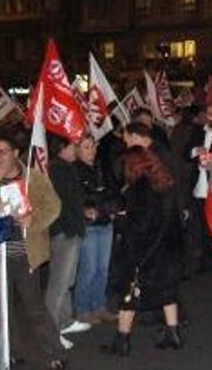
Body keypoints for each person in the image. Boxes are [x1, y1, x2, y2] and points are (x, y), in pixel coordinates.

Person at [0, 133, 66, 369]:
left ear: (15, 153)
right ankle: (9, 352)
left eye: (3, 151)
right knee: (4, 309)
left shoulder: (34, 178)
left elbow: (54, 206)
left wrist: (34, 219)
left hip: (25, 252)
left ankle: (55, 354)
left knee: (34, 307)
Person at [104, 130, 185, 357]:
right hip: (166, 247)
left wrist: (120, 219)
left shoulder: (140, 188)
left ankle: (122, 340)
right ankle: (173, 333)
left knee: (128, 294)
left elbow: (139, 224)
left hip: (144, 251)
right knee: (167, 290)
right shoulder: (162, 181)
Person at [45, 135, 90, 338]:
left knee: (67, 279)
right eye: (74, 146)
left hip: (71, 228)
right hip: (64, 230)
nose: (76, 149)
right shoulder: (56, 169)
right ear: (61, 148)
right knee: (59, 281)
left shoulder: (66, 167)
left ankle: (65, 320)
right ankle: (52, 330)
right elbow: (64, 202)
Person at [74, 134, 119, 324]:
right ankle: (83, 309)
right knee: (89, 268)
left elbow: (112, 190)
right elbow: (80, 197)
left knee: (103, 268)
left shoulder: (101, 167)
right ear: (76, 149)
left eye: (93, 146)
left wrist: (114, 206)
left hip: (105, 222)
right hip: (90, 225)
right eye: (86, 147)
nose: (91, 151)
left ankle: (99, 305)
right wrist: (90, 206)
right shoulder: (75, 170)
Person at [184, 104, 212, 273]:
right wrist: (196, 150)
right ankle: (205, 262)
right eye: (210, 114)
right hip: (199, 187)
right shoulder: (197, 131)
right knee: (202, 227)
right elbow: (185, 152)